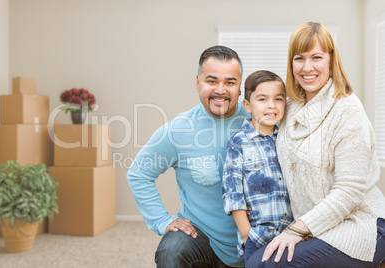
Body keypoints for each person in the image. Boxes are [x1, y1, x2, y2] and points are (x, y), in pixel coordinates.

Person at [246, 22, 385, 268]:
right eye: (299, 58)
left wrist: (296, 230)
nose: (307, 67)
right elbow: (256, 111)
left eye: (316, 57)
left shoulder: (347, 111)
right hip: (316, 225)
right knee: (256, 262)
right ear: (291, 63)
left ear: (331, 60)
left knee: (275, 265)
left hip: (359, 225)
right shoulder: (290, 107)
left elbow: (349, 191)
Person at [127, 45, 250, 267]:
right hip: (202, 238)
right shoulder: (178, 130)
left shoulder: (261, 119)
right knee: (171, 252)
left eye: (230, 82)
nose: (220, 90)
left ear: (240, 87)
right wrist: (162, 221)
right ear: (197, 83)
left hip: (255, 239)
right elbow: (138, 173)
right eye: (211, 81)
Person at [222, 70, 293, 265]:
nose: (271, 105)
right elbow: (233, 196)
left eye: (278, 99)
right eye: (262, 99)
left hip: (291, 235)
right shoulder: (239, 144)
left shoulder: (288, 139)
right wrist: (248, 236)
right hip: (259, 237)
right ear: (248, 105)